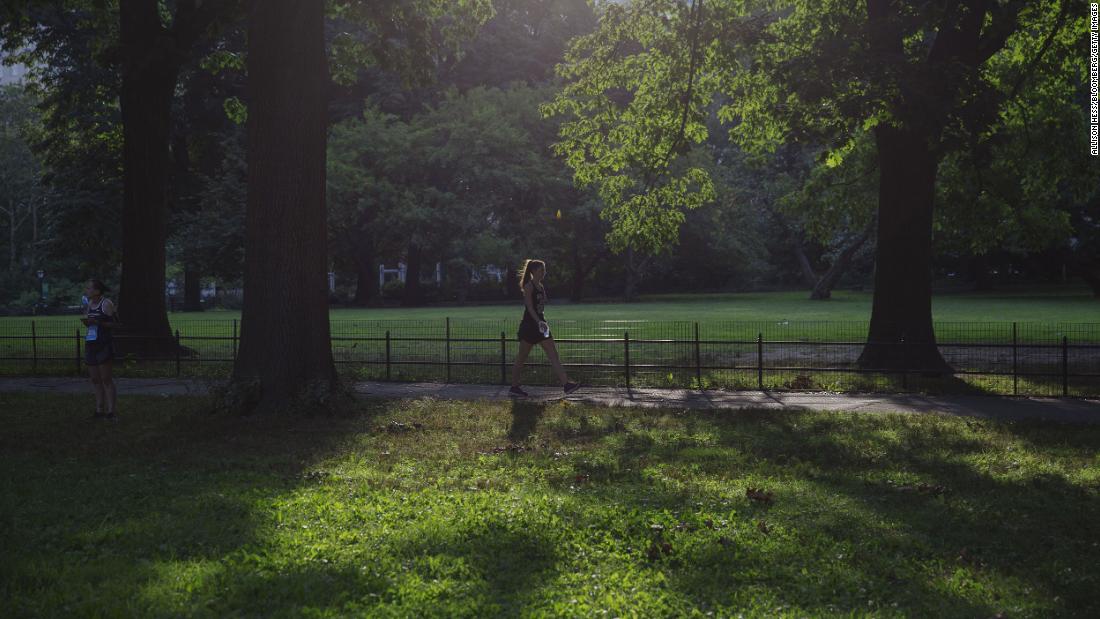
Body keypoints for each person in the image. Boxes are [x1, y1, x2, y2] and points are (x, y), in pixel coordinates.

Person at [510, 259, 581, 397]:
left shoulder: (540, 286)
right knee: (522, 357)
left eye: (544, 269)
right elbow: (529, 307)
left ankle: (567, 384)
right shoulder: (529, 286)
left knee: (553, 354)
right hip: (530, 325)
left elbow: (541, 305)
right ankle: (514, 386)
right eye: (542, 269)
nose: (544, 272)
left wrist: (542, 320)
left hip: (541, 324)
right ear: (535, 271)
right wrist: (538, 321)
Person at [82, 279, 121, 421]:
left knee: (106, 379)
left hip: (104, 345)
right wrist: (88, 323)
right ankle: (99, 411)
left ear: (97, 291)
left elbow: (116, 324)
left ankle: (111, 412)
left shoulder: (106, 304)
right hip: (91, 344)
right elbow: (90, 323)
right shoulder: (88, 304)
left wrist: (100, 323)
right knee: (95, 379)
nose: (87, 290)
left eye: (89, 288)